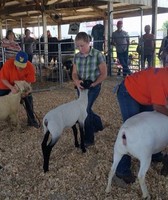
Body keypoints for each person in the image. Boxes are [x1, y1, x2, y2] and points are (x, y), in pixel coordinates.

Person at [115, 67, 168, 184]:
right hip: (128, 92)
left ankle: (154, 153)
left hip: (145, 96)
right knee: (132, 130)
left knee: (152, 123)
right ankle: (121, 170)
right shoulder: (163, 79)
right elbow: (158, 107)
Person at [72, 32, 107, 146]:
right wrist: (76, 81)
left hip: (93, 86)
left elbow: (104, 74)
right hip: (81, 87)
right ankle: (97, 123)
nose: (80, 48)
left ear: (88, 42)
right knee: (86, 108)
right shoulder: (76, 57)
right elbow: (74, 73)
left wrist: (95, 84)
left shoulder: (98, 55)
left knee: (85, 110)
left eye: (82, 45)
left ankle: (89, 138)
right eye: (78, 46)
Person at [0, 51, 39, 128]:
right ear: (15, 60)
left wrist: (26, 92)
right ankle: (4, 118)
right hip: (5, 85)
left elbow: (29, 82)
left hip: (20, 87)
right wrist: (11, 88)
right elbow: (3, 78)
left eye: (22, 65)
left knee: (29, 99)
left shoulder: (30, 67)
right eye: (18, 65)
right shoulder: (8, 64)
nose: (19, 67)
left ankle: (32, 121)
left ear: (26, 62)